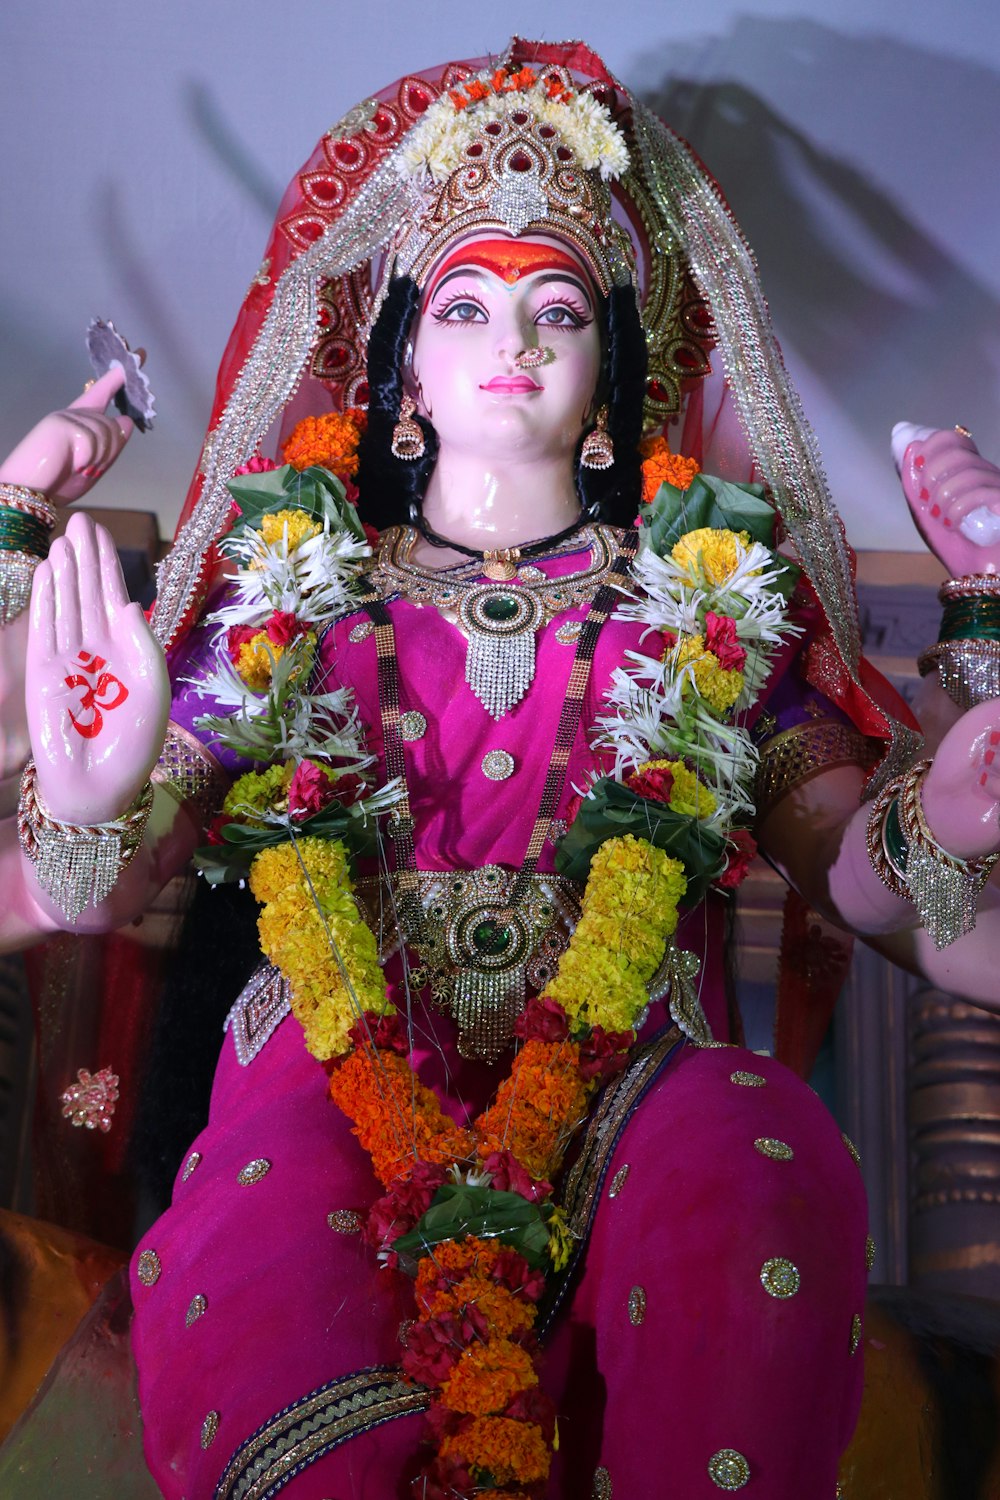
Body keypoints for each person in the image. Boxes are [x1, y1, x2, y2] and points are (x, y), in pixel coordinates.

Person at [1, 39, 999, 1500]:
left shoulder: (711, 609)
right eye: (465, 305)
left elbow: (856, 872)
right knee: (270, 1241)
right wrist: (90, 813)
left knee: (759, 1150)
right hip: (334, 1075)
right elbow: (91, 878)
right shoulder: (298, 598)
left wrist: (949, 816)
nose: (513, 341)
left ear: (611, 370)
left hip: (629, 1081)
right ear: (402, 364)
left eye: (557, 309)